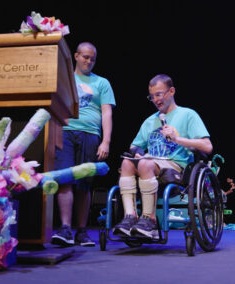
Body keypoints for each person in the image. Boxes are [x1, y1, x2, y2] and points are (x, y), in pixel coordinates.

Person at [113, 74, 212, 239]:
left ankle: (149, 220)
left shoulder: (188, 115)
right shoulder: (150, 121)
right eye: (151, 96)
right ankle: (130, 217)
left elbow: (207, 146)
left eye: (159, 94)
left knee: (144, 164)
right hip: (151, 164)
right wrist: (137, 152)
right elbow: (134, 145)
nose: (155, 100)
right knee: (126, 163)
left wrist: (177, 139)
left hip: (175, 168)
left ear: (171, 91)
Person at [51, 42, 116, 247]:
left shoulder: (102, 83)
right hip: (66, 132)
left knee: (84, 184)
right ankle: (65, 229)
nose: (89, 61)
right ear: (76, 56)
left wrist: (105, 141)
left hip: (90, 135)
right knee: (65, 178)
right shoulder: (63, 78)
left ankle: (81, 231)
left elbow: (106, 112)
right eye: (85, 57)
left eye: (92, 58)